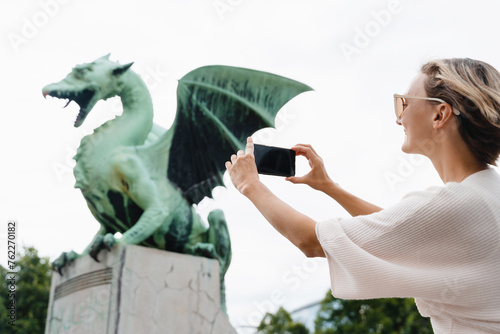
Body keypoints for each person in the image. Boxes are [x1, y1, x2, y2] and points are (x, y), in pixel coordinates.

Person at [225, 58, 500, 333]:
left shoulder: (454, 204)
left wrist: (250, 185)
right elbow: (399, 228)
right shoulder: (484, 194)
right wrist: (330, 187)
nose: (398, 118)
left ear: (439, 115)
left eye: (404, 103)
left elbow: (311, 242)